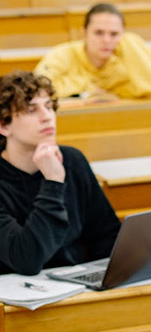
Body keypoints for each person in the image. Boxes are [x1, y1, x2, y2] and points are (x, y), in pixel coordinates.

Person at [0, 71, 120, 275]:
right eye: (31, 110)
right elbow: (27, 259)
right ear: (4, 125)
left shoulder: (73, 160)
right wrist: (53, 182)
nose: (47, 117)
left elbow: (107, 236)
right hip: (20, 298)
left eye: (48, 107)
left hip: (78, 286)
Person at [34, 3, 151, 100]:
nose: (106, 40)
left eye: (114, 34)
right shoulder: (62, 55)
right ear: (84, 33)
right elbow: (37, 89)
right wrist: (88, 86)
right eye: (99, 33)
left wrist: (130, 40)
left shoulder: (122, 64)